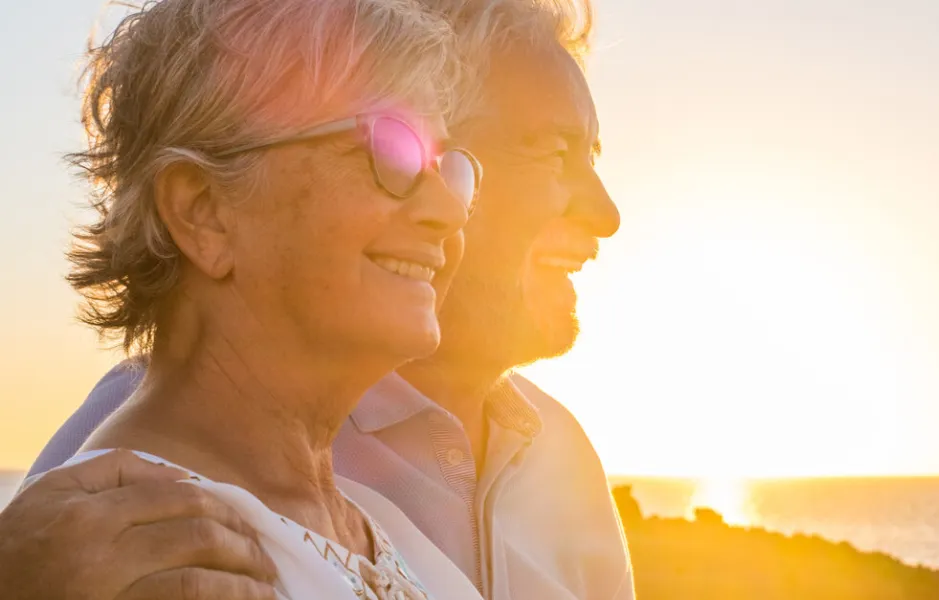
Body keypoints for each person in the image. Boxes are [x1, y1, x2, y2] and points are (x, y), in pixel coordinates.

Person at [19, 1, 632, 599]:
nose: (450, 212)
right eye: (390, 151)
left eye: (449, 169)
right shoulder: (134, 543)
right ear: (203, 210)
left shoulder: (372, 529)